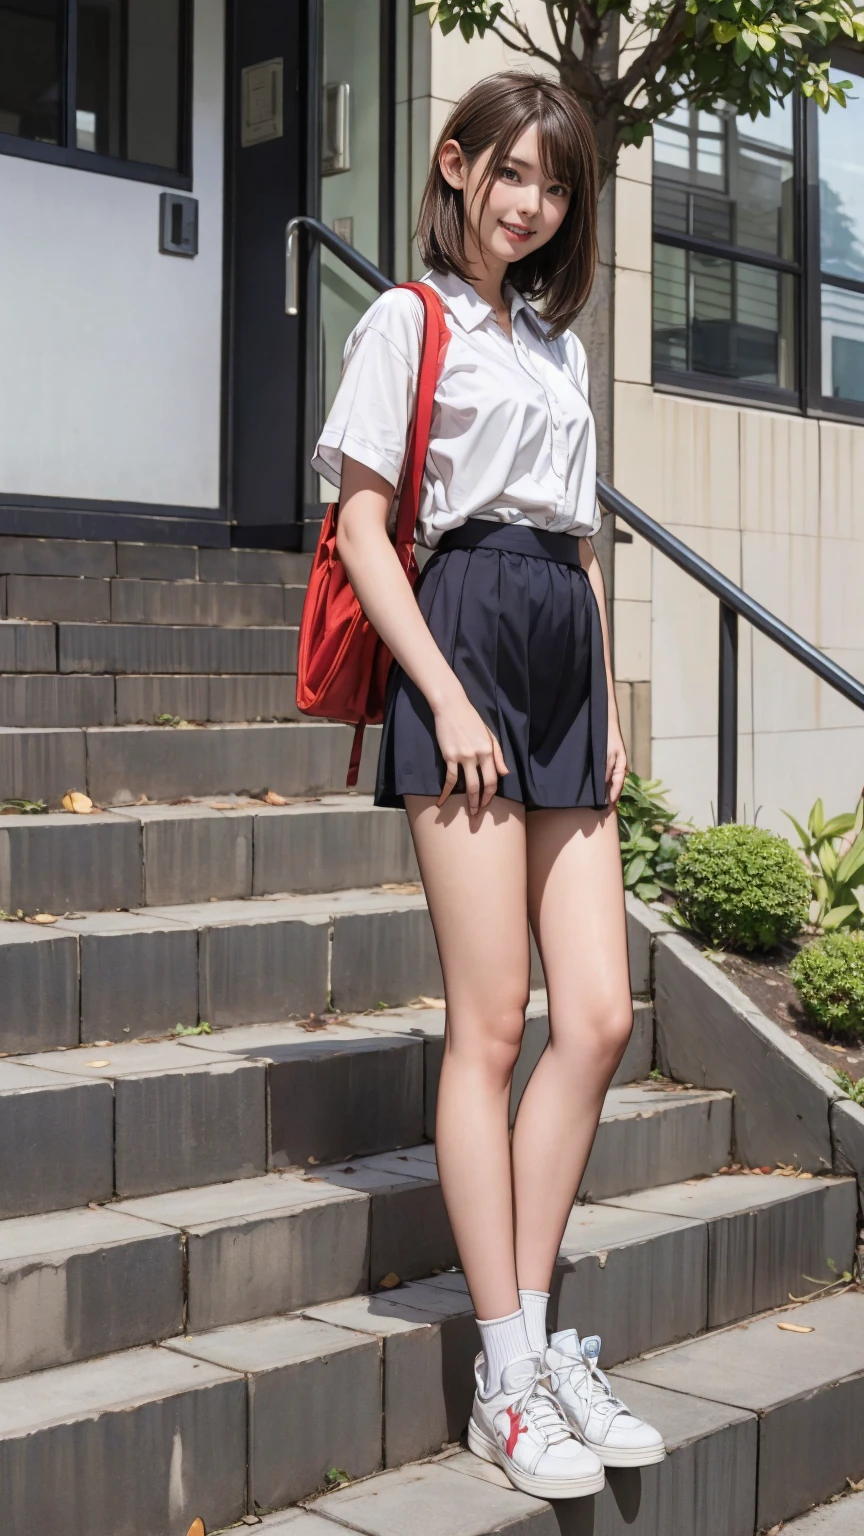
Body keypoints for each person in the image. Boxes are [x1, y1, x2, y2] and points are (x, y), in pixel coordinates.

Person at [312, 69, 665, 1501]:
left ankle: (537, 1344)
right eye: (510, 172)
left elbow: (578, 541)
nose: (530, 201)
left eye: (556, 184)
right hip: (456, 637)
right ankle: (507, 1371)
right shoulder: (410, 319)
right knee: (491, 1020)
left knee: (599, 1014)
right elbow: (362, 522)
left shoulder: (558, 350)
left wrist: (609, 698)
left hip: (559, 656)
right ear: (455, 166)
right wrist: (444, 693)